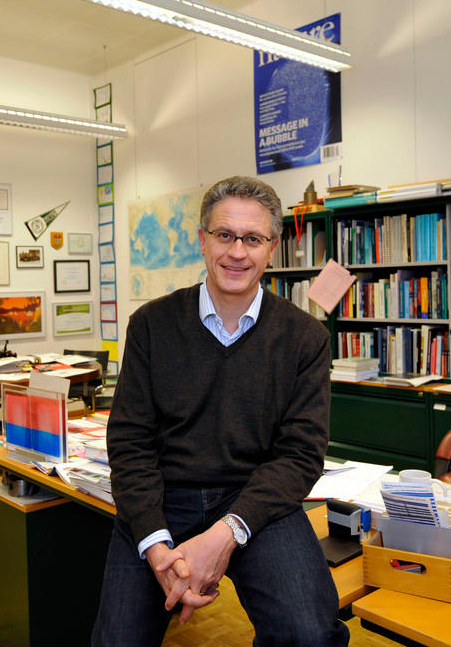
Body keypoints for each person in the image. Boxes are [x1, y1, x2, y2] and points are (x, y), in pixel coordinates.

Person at [92, 176, 348, 647]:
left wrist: (224, 535)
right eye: (224, 235)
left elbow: (301, 455)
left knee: (310, 635)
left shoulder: (305, 337)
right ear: (201, 240)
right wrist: (155, 545)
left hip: (256, 500)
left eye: (253, 239)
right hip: (163, 497)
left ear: (273, 248)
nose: (237, 252)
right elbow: (129, 443)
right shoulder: (151, 325)